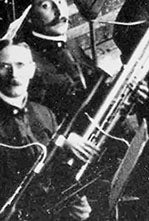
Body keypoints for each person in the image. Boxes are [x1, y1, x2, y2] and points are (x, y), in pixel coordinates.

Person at [0, 40, 92, 221]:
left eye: (20, 65)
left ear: (32, 69)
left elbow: (57, 169)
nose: (14, 73)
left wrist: (76, 201)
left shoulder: (44, 114)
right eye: (4, 66)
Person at [18, 0, 102, 121]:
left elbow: (93, 78)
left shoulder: (66, 41)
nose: (59, 12)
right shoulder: (28, 62)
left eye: (60, 1)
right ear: (29, 17)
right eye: (46, 6)